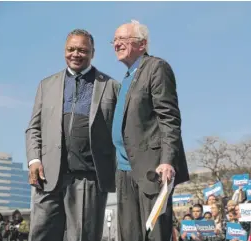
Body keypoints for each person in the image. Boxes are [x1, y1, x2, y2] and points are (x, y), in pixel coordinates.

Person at [25, 29, 119, 241]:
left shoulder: (111, 87)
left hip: (88, 178)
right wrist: (34, 160)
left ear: (93, 52)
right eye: (71, 49)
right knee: (41, 235)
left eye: (82, 50)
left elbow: (122, 133)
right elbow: (33, 128)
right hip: (47, 178)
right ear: (64, 51)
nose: (76, 54)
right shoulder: (46, 85)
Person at [111, 20, 189, 241]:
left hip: (152, 169)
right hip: (124, 170)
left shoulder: (156, 68)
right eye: (114, 40)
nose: (116, 44)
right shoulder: (126, 78)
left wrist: (167, 160)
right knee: (129, 235)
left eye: (122, 39)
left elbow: (169, 117)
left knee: (155, 235)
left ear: (142, 44)